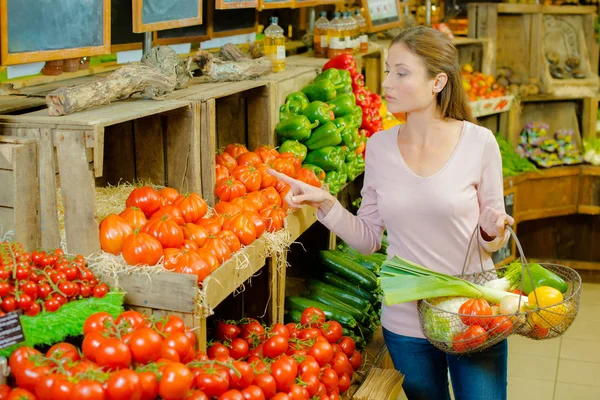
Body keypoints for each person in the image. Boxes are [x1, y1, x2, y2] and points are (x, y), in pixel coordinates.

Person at [269, 26, 515, 400]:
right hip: (406, 320)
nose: (387, 82)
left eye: (401, 73)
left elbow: (496, 234)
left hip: (473, 313)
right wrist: (326, 203)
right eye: (387, 70)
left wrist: (492, 230)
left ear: (438, 82)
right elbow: (368, 238)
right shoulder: (379, 147)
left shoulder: (479, 143)